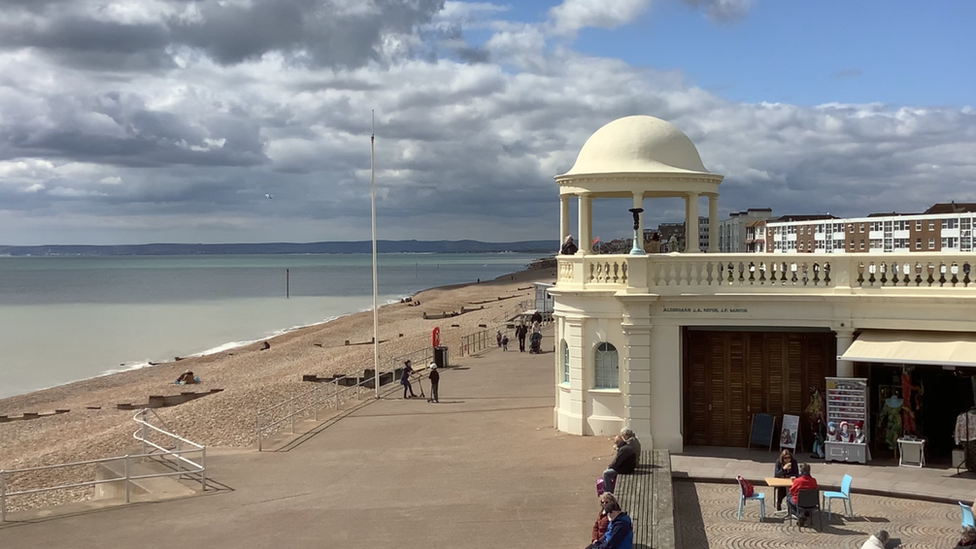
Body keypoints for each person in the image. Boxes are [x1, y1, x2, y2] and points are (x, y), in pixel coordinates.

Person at [602, 428, 640, 494]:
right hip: (629, 466)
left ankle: (607, 492)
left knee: (606, 473)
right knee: (609, 471)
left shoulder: (623, 449)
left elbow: (617, 462)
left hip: (626, 469)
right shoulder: (627, 446)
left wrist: (609, 467)